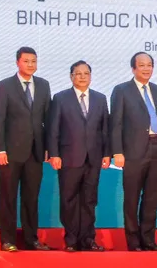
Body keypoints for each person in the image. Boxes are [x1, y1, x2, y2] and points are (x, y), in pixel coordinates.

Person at [0, 46, 52, 252]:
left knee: (31, 198)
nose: (31, 65)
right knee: (8, 197)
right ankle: (7, 240)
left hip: (36, 152)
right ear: (18, 62)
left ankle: (31, 239)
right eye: (26, 61)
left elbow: (48, 120)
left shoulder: (43, 85)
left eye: (34, 61)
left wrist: (48, 148)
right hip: (11, 153)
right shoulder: (5, 86)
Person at [47, 60, 110, 252]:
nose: (82, 77)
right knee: (69, 199)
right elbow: (53, 129)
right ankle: (71, 239)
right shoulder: (60, 98)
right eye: (78, 73)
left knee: (90, 200)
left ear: (90, 76)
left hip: (93, 157)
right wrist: (54, 154)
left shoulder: (100, 98)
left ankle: (88, 239)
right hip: (69, 157)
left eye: (86, 73)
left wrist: (107, 154)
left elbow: (105, 129)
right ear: (71, 76)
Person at [110, 52, 157, 251]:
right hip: (133, 151)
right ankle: (133, 242)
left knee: (152, 198)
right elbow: (115, 123)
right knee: (132, 198)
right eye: (142, 65)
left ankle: (148, 240)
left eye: (149, 65)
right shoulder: (122, 90)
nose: (146, 68)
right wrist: (117, 151)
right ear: (133, 69)